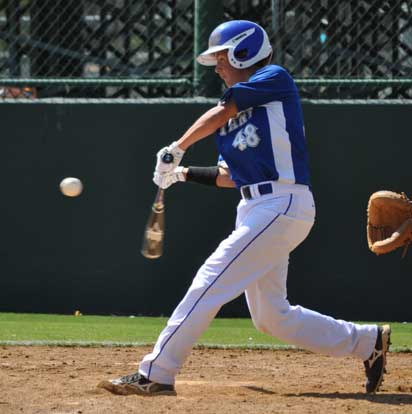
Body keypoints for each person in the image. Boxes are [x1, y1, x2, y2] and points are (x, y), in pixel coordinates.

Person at [98, 20, 390, 397]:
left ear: (244, 51)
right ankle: (368, 343)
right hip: (256, 207)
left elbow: (221, 110)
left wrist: (177, 147)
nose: (218, 67)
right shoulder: (232, 123)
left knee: (210, 279)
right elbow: (230, 177)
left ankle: (157, 372)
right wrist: (182, 174)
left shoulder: (273, 78)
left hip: (282, 203)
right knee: (272, 317)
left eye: (222, 58)